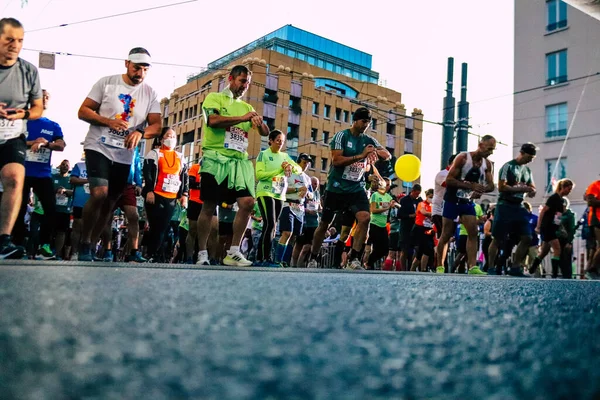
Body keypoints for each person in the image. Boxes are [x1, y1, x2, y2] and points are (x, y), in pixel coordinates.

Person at [76, 47, 161, 261]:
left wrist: (141, 132)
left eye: (144, 69)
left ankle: (92, 244)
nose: (140, 73)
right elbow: (83, 111)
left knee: (111, 201)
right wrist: (108, 121)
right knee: (99, 193)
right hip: (98, 146)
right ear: (126, 64)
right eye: (136, 68)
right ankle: (84, 241)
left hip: (124, 154)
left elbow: (156, 125)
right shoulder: (107, 82)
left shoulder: (150, 93)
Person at [196, 65, 270, 267]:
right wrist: (242, 118)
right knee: (210, 206)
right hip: (216, 159)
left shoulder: (247, 108)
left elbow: (264, 132)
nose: (244, 85)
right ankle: (202, 252)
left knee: (247, 202)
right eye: (241, 81)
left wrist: (260, 122)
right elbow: (212, 120)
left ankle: (234, 251)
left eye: (247, 82)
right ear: (231, 79)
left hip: (239, 162)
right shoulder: (215, 98)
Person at [307, 107, 391, 270]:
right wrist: (360, 156)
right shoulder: (342, 136)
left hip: (356, 188)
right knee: (324, 224)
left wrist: (375, 151)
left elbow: (387, 155)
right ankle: (313, 257)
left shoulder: (369, 140)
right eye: (363, 121)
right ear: (355, 120)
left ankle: (354, 258)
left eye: (368, 122)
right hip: (336, 187)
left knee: (365, 218)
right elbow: (337, 161)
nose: (365, 125)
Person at [0, 18, 44, 259]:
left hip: (12, 133)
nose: (15, 45)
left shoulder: (29, 71)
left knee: (15, 179)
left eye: (19, 41)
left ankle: (4, 240)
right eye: (9, 40)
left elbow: (38, 108)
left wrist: (24, 113)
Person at [12, 89, 66, 259]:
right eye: (41, 97)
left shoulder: (52, 125)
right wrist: (32, 143)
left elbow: (61, 145)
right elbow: (11, 142)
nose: (44, 100)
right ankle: (17, 244)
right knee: (19, 209)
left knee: (50, 208)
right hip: (23, 172)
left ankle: (45, 246)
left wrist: (46, 144)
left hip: (43, 175)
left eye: (47, 98)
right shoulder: (22, 122)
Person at [436, 135, 496, 275]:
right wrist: (470, 186)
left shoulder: (487, 164)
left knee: (473, 232)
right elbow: (449, 180)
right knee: (446, 233)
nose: (491, 152)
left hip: (466, 201)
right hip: (451, 198)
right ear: (480, 145)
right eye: (489, 149)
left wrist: (481, 189)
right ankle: (440, 266)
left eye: (493, 150)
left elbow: (491, 186)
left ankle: (472, 267)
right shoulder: (463, 158)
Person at [485, 142, 537, 277]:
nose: (530, 160)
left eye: (532, 159)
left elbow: (532, 186)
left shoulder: (527, 170)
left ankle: (515, 267)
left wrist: (531, 191)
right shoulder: (508, 166)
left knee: (527, 237)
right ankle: (490, 267)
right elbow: (502, 187)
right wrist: (521, 188)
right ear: (522, 153)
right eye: (529, 157)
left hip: (519, 206)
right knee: (497, 238)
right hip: (505, 205)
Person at [254, 130, 301, 267]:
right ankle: (264, 258)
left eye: (282, 141)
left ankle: (263, 257)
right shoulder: (263, 154)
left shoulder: (285, 156)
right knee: (270, 223)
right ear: (270, 140)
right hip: (266, 192)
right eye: (277, 140)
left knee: (273, 226)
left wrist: (290, 166)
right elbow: (260, 175)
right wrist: (279, 170)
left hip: (279, 193)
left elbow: (299, 170)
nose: (280, 143)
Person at [142, 127, 188, 263]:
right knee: (156, 226)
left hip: (172, 197)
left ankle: (159, 256)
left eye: (174, 136)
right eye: (168, 136)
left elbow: (184, 177)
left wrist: (184, 195)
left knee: (164, 226)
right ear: (162, 139)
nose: (171, 139)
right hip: (155, 195)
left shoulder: (180, 157)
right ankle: (152, 254)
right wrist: (149, 190)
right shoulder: (154, 154)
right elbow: (148, 173)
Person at [529, 179, 574, 277]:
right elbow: (543, 211)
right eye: (569, 189)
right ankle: (554, 274)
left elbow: (558, 217)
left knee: (544, 251)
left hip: (553, 227)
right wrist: (538, 226)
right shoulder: (554, 198)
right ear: (563, 187)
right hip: (548, 227)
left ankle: (533, 267)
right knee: (557, 249)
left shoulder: (561, 200)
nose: (569, 191)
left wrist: (560, 227)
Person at [274, 153, 313, 266]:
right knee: (287, 232)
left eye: (307, 163)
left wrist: (308, 193)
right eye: (304, 162)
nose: (305, 165)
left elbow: (310, 194)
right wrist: (297, 189)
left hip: (300, 208)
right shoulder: (288, 173)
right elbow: (278, 188)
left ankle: (285, 261)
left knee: (294, 236)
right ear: (298, 162)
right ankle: (277, 260)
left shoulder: (307, 178)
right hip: (288, 204)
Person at [112, 145, 145, 262]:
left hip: (128, 185)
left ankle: (134, 251)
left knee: (134, 216)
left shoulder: (135, 146)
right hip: (112, 182)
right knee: (106, 216)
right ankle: (106, 250)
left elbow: (137, 164)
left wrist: (139, 183)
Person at [365, 178, 394, 270]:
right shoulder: (375, 195)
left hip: (383, 225)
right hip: (375, 224)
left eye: (390, 185)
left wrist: (395, 204)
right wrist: (387, 208)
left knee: (385, 249)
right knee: (377, 247)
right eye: (387, 185)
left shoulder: (388, 197)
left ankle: (370, 262)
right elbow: (373, 210)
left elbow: (394, 203)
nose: (389, 187)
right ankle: (369, 263)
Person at [293, 176, 321, 268]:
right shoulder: (305, 192)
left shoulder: (317, 193)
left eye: (317, 184)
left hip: (314, 223)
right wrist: (308, 211)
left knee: (308, 246)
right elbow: (299, 205)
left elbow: (319, 206)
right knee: (299, 244)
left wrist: (320, 210)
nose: (316, 186)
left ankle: (303, 265)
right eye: (314, 183)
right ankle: (293, 264)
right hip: (305, 222)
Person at [410, 188, 436, 272]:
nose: (431, 198)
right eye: (430, 196)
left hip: (429, 229)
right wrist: (434, 214)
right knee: (425, 249)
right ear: (427, 196)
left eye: (433, 197)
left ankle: (415, 269)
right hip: (420, 229)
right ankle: (422, 269)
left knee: (423, 250)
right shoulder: (421, 204)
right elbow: (424, 212)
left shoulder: (433, 206)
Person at [69, 156, 89, 260]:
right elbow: (72, 179)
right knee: (77, 226)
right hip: (80, 201)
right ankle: (74, 252)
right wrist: (88, 180)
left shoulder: (102, 168)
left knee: (90, 228)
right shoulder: (79, 165)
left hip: (94, 202)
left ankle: (87, 251)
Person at [52, 159, 73, 259]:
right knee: (51, 230)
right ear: (59, 166)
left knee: (62, 232)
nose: (64, 166)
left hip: (65, 210)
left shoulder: (71, 180)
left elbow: (74, 192)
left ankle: (57, 253)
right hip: (53, 209)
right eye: (63, 165)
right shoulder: (53, 177)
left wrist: (65, 191)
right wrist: (56, 190)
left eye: (66, 165)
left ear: (69, 168)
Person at [398, 184, 422, 270]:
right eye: (416, 194)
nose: (417, 196)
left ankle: (412, 268)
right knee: (404, 249)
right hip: (406, 227)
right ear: (412, 191)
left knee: (416, 248)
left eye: (419, 194)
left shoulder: (420, 200)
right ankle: (403, 269)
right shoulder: (404, 200)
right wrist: (410, 216)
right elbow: (399, 214)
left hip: (416, 227)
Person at [584, 179, 600, 280]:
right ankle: (592, 269)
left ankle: (594, 269)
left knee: (596, 247)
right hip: (597, 219)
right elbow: (590, 201)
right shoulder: (595, 185)